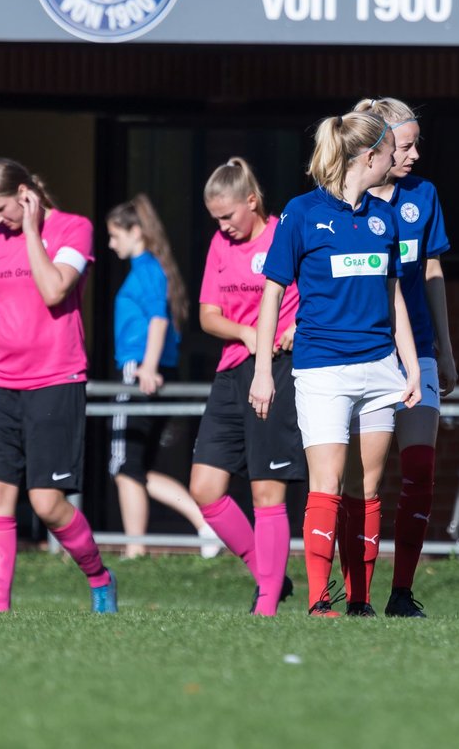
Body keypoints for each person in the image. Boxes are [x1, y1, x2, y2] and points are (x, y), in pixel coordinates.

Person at [251, 111, 421, 616]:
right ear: (369, 157)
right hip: (323, 370)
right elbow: (271, 295)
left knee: (367, 489)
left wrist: (411, 367)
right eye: (391, 153)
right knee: (325, 484)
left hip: (379, 369)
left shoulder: (385, 216)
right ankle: (318, 600)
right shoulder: (301, 213)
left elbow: (395, 301)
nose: (398, 161)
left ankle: (361, 601)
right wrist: (263, 371)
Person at [0, 157, 116, 613]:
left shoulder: (74, 229)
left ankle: (99, 577)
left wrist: (32, 230)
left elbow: (55, 289)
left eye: (2, 210)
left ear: (25, 194)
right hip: (0, 383)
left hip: (56, 379)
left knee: (48, 503)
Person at [338, 97, 455, 618]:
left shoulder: (423, 196)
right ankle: (357, 594)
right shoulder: (339, 202)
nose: (414, 155)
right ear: (377, 147)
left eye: (415, 144)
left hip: (419, 352)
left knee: (420, 471)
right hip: (369, 351)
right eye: (405, 145)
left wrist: (444, 350)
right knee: (364, 482)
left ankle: (402, 593)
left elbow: (431, 274)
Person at [188, 158, 304, 615]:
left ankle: (266, 604)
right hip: (233, 371)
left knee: (266, 490)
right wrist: (245, 333)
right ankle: (270, 575)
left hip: (277, 370)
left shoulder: (285, 234)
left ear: (251, 202)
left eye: (228, 215)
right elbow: (207, 315)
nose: (222, 226)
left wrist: (298, 328)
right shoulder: (220, 244)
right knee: (205, 488)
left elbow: (316, 296)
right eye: (215, 218)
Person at [106, 193, 217, 559]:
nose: (111, 243)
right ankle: (198, 527)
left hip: (139, 370)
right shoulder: (153, 268)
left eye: (115, 235)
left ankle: (139, 548)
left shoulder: (146, 268)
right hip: (150, 368)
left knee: (124, 464)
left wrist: (148, 367)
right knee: (138, 467)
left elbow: (157, 319)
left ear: (135, 232)